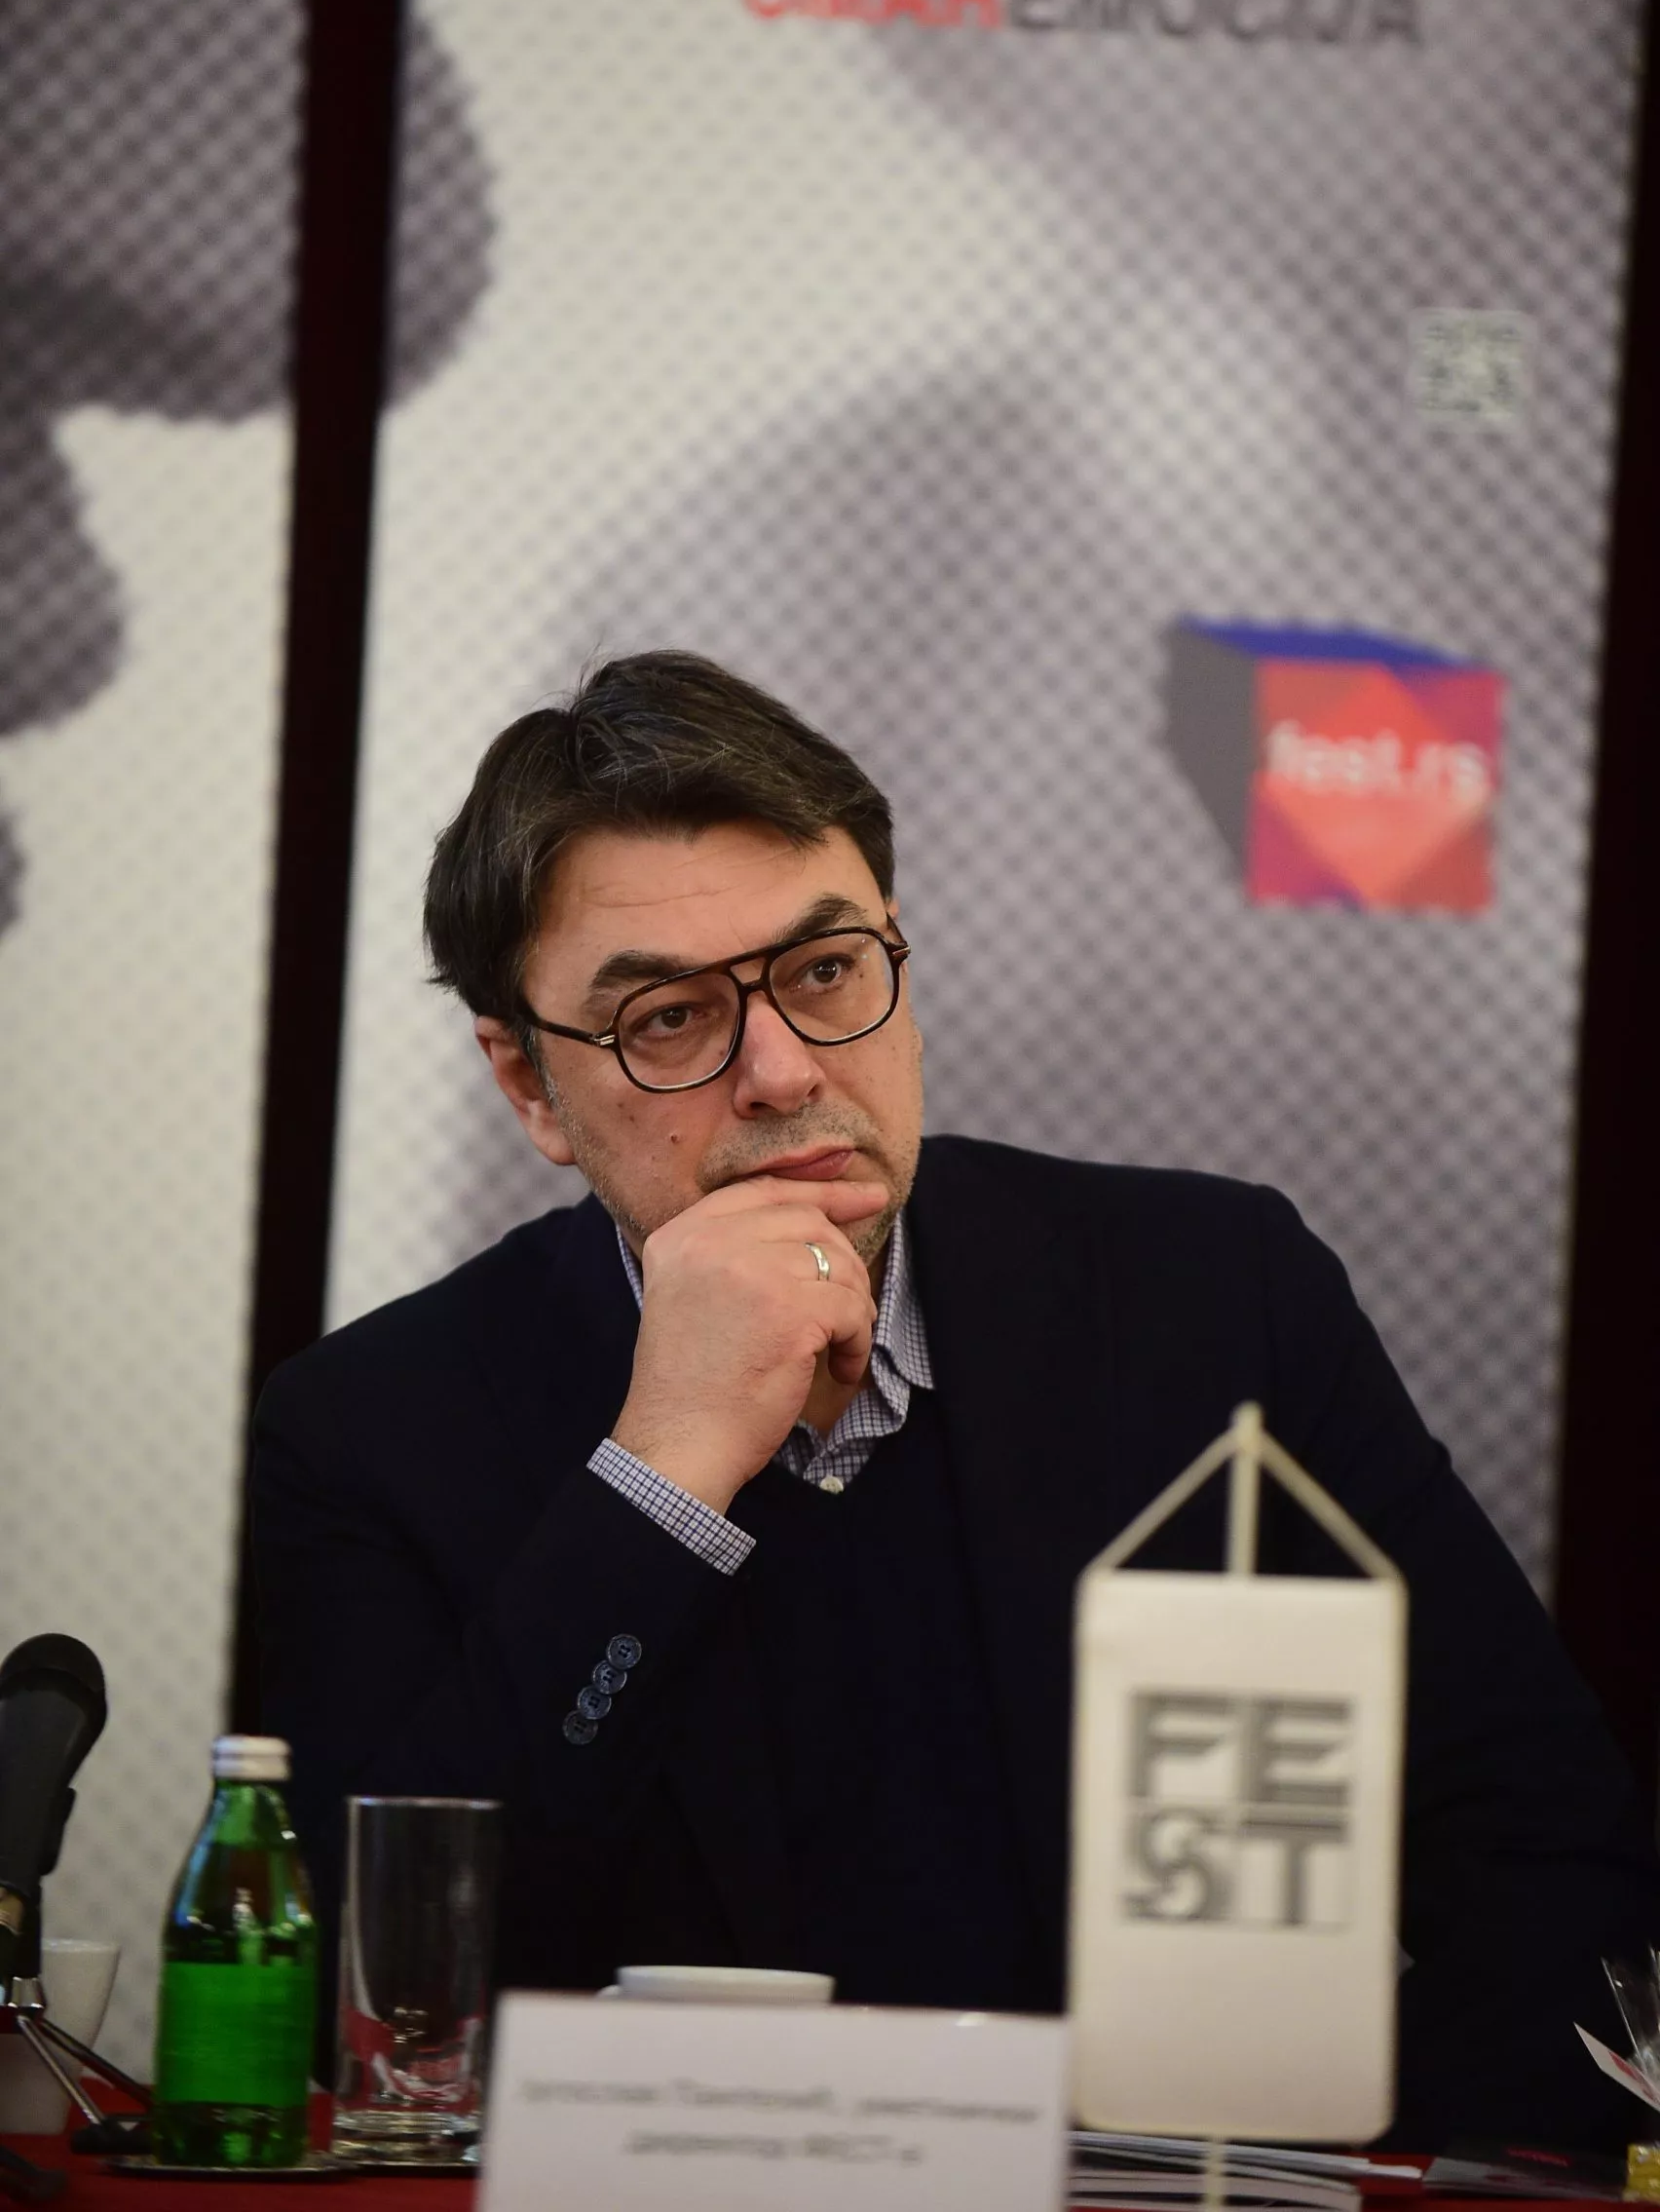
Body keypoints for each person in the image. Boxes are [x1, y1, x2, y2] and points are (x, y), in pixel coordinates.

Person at [252, 649, 1657, 2148]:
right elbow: (376, 2007)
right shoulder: (372, 1429)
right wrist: (660, 1481)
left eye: (825, 972)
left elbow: (1546, 1856)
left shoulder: (1217, 1306)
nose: (783, 1071)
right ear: (530, 1086)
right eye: (667, 1016)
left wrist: (1316, 2161)